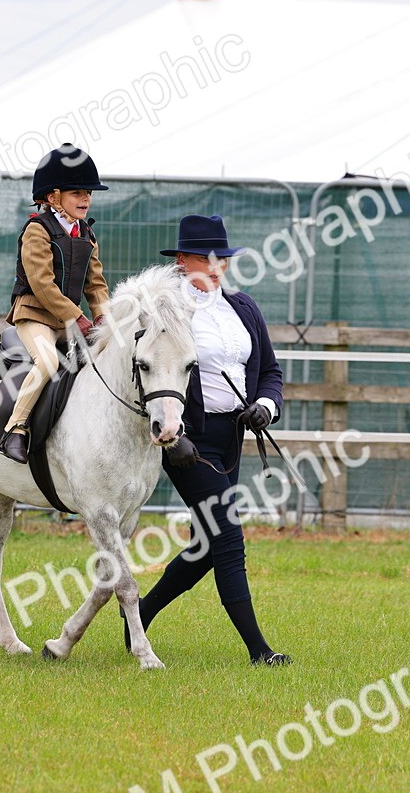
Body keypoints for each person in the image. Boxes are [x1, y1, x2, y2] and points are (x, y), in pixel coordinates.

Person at [125, 214, 290, 666]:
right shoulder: (164, 311)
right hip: (188, 437)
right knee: (228, 538)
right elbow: (146, 374)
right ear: (182, 261)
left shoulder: (243, 307)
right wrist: (169, 437)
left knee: (204, 547)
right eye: (206, 258)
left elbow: (271, 372)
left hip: (232, 435)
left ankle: (142, 611)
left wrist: (265, 405)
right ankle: (260, 651)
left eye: (223, 258)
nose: (216, 267)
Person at [0, 144, 111, 464]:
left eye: (89, 193)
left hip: (67, 319)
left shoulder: (86, 233)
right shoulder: (37, 230)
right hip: (34, 314)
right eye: (78, 192)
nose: (86, 199)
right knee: (47, 362)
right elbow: (42, 285)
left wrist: (104, 318)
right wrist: (78, 317)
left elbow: (96, 284)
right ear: (52, 197)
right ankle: (15, 429)